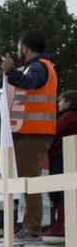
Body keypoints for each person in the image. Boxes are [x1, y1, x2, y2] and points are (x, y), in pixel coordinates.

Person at [2, 29, 58, 243]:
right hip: (35, 132)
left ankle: (32, 229)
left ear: (24, 46)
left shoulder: (39, 67)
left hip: (32, 133)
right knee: (29, 181)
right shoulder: (43, 66)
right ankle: (29, 226)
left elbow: (30, 83)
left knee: (29, 182)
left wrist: (10, 72)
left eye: (19, 46)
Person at [45, 89, 77, 239]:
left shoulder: (69, 116)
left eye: (61, 100)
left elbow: (55, 133)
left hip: (63, 156)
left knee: (61, 192)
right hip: (65, 155)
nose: (58, 103)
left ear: (69, 102)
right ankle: (60, 224)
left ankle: (60, 225)